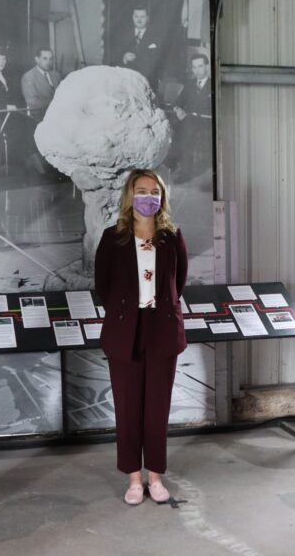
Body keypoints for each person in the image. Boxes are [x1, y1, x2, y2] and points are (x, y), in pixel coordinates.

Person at [94, 169, 188, 506]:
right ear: (129, 195)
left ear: (161, 197)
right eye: (141, 190)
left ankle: (156, 478)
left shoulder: (172, 237)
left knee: (157, 408)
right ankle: (134, 479)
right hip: (125, 331)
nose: (148, 197)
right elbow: (103, 286)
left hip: (161, 329)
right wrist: (127, 313)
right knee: (128, 407)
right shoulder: (112, 237)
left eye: (154, 191)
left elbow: (179, 282)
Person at [172, 53, 213, 175]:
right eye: (194, 67)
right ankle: (175, 165)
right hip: (189, 120)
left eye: (200, 66)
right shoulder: (189, 84)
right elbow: (177, 102)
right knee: (174, 128)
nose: (197, 71)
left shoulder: (213, 84)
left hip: (207, 121)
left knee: (186, 131)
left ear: (207, 66)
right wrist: (178, 109)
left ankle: (185, 171)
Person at [117, 8, 162, 89]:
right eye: (136, 16)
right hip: (127, 80)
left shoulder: (156, 35)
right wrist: (124, 57)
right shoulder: (123, 34)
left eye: (142, 17)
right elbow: (115, 55)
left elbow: (159, 60)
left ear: (147, 18)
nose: (139, 20)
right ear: (132, 17)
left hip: (148, 81)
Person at [20, 47, 62, 118]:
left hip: (59, 114)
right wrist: (56, 103)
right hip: (41, 117)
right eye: (45, 58)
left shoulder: (56, 75)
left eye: (50, 59)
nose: (48, 62)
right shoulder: (28, 77)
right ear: (37, 59)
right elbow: (33, 102)